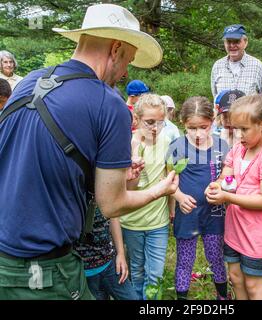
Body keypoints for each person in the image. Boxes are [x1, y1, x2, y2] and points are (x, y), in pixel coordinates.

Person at [0, 4, 178, 300]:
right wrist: (159, 190)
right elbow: (111, 205)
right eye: (128, 62)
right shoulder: (109, 104)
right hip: (43, 271)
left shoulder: (30, 82)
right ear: (116, 48)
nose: (124, 73)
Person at [205, 94, 262, 300]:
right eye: (235, 129)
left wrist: (227, 197)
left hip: (258, 234)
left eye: (244, 129)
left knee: (253, 285)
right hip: (235, 228)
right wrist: (216, 186)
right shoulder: (239, 149)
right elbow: (227, 175)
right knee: (235, 277)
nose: (239, 135)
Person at [167, 96, 230, 300]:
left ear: (212, 121)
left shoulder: (222, 145)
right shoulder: (178, 146)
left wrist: (220, 185)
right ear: (183, 123)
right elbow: (168, 179)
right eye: (192, 128)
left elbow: (227, 174)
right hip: (188, 213)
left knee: (216, 258)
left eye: (203, 127)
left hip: (215, 214)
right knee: (185, 260)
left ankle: (223, 297)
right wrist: (179, 196)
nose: (198, 133)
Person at [120, 93, 172, 300]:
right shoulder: (125, 145)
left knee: (155, 274)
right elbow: (125, 190)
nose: (155, 128)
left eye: (161, 122)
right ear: (136, 119)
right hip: (131, 221)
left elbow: (170, 177)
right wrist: (133, 173)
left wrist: (171, 211)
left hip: (158, 222)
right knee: (137, 271)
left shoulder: (167, 141)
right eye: (149, 122)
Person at [74, 208, 139, 300]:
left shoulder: (103, 194)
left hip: (109, 262)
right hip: (83, 271)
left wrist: (120, 253)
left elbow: (113, 215)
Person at [211, 24, 262, 99]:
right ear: (224, 43)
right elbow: (216, 98)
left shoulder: (257, 66)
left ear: (245, 42)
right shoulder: (217, 66)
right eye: (228, 42)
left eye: (236, 41)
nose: (232, 45)